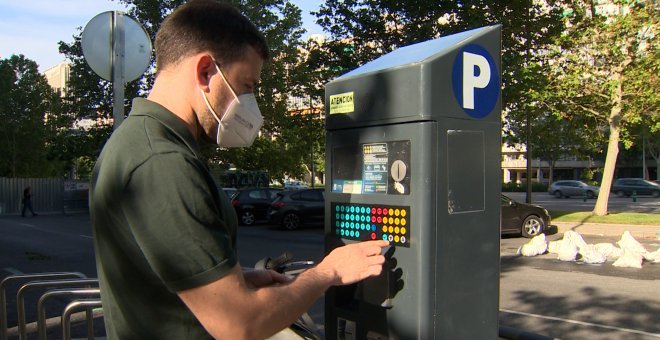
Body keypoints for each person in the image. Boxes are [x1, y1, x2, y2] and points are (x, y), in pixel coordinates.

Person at [89, 1, 388, 339]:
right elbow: (239, 325)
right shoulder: (161, 163)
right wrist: (328, 271)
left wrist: (238, 279)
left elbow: (157, 278)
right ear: (205, 71)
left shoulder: (134, 143)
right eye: (247, 86)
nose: (250, 104)